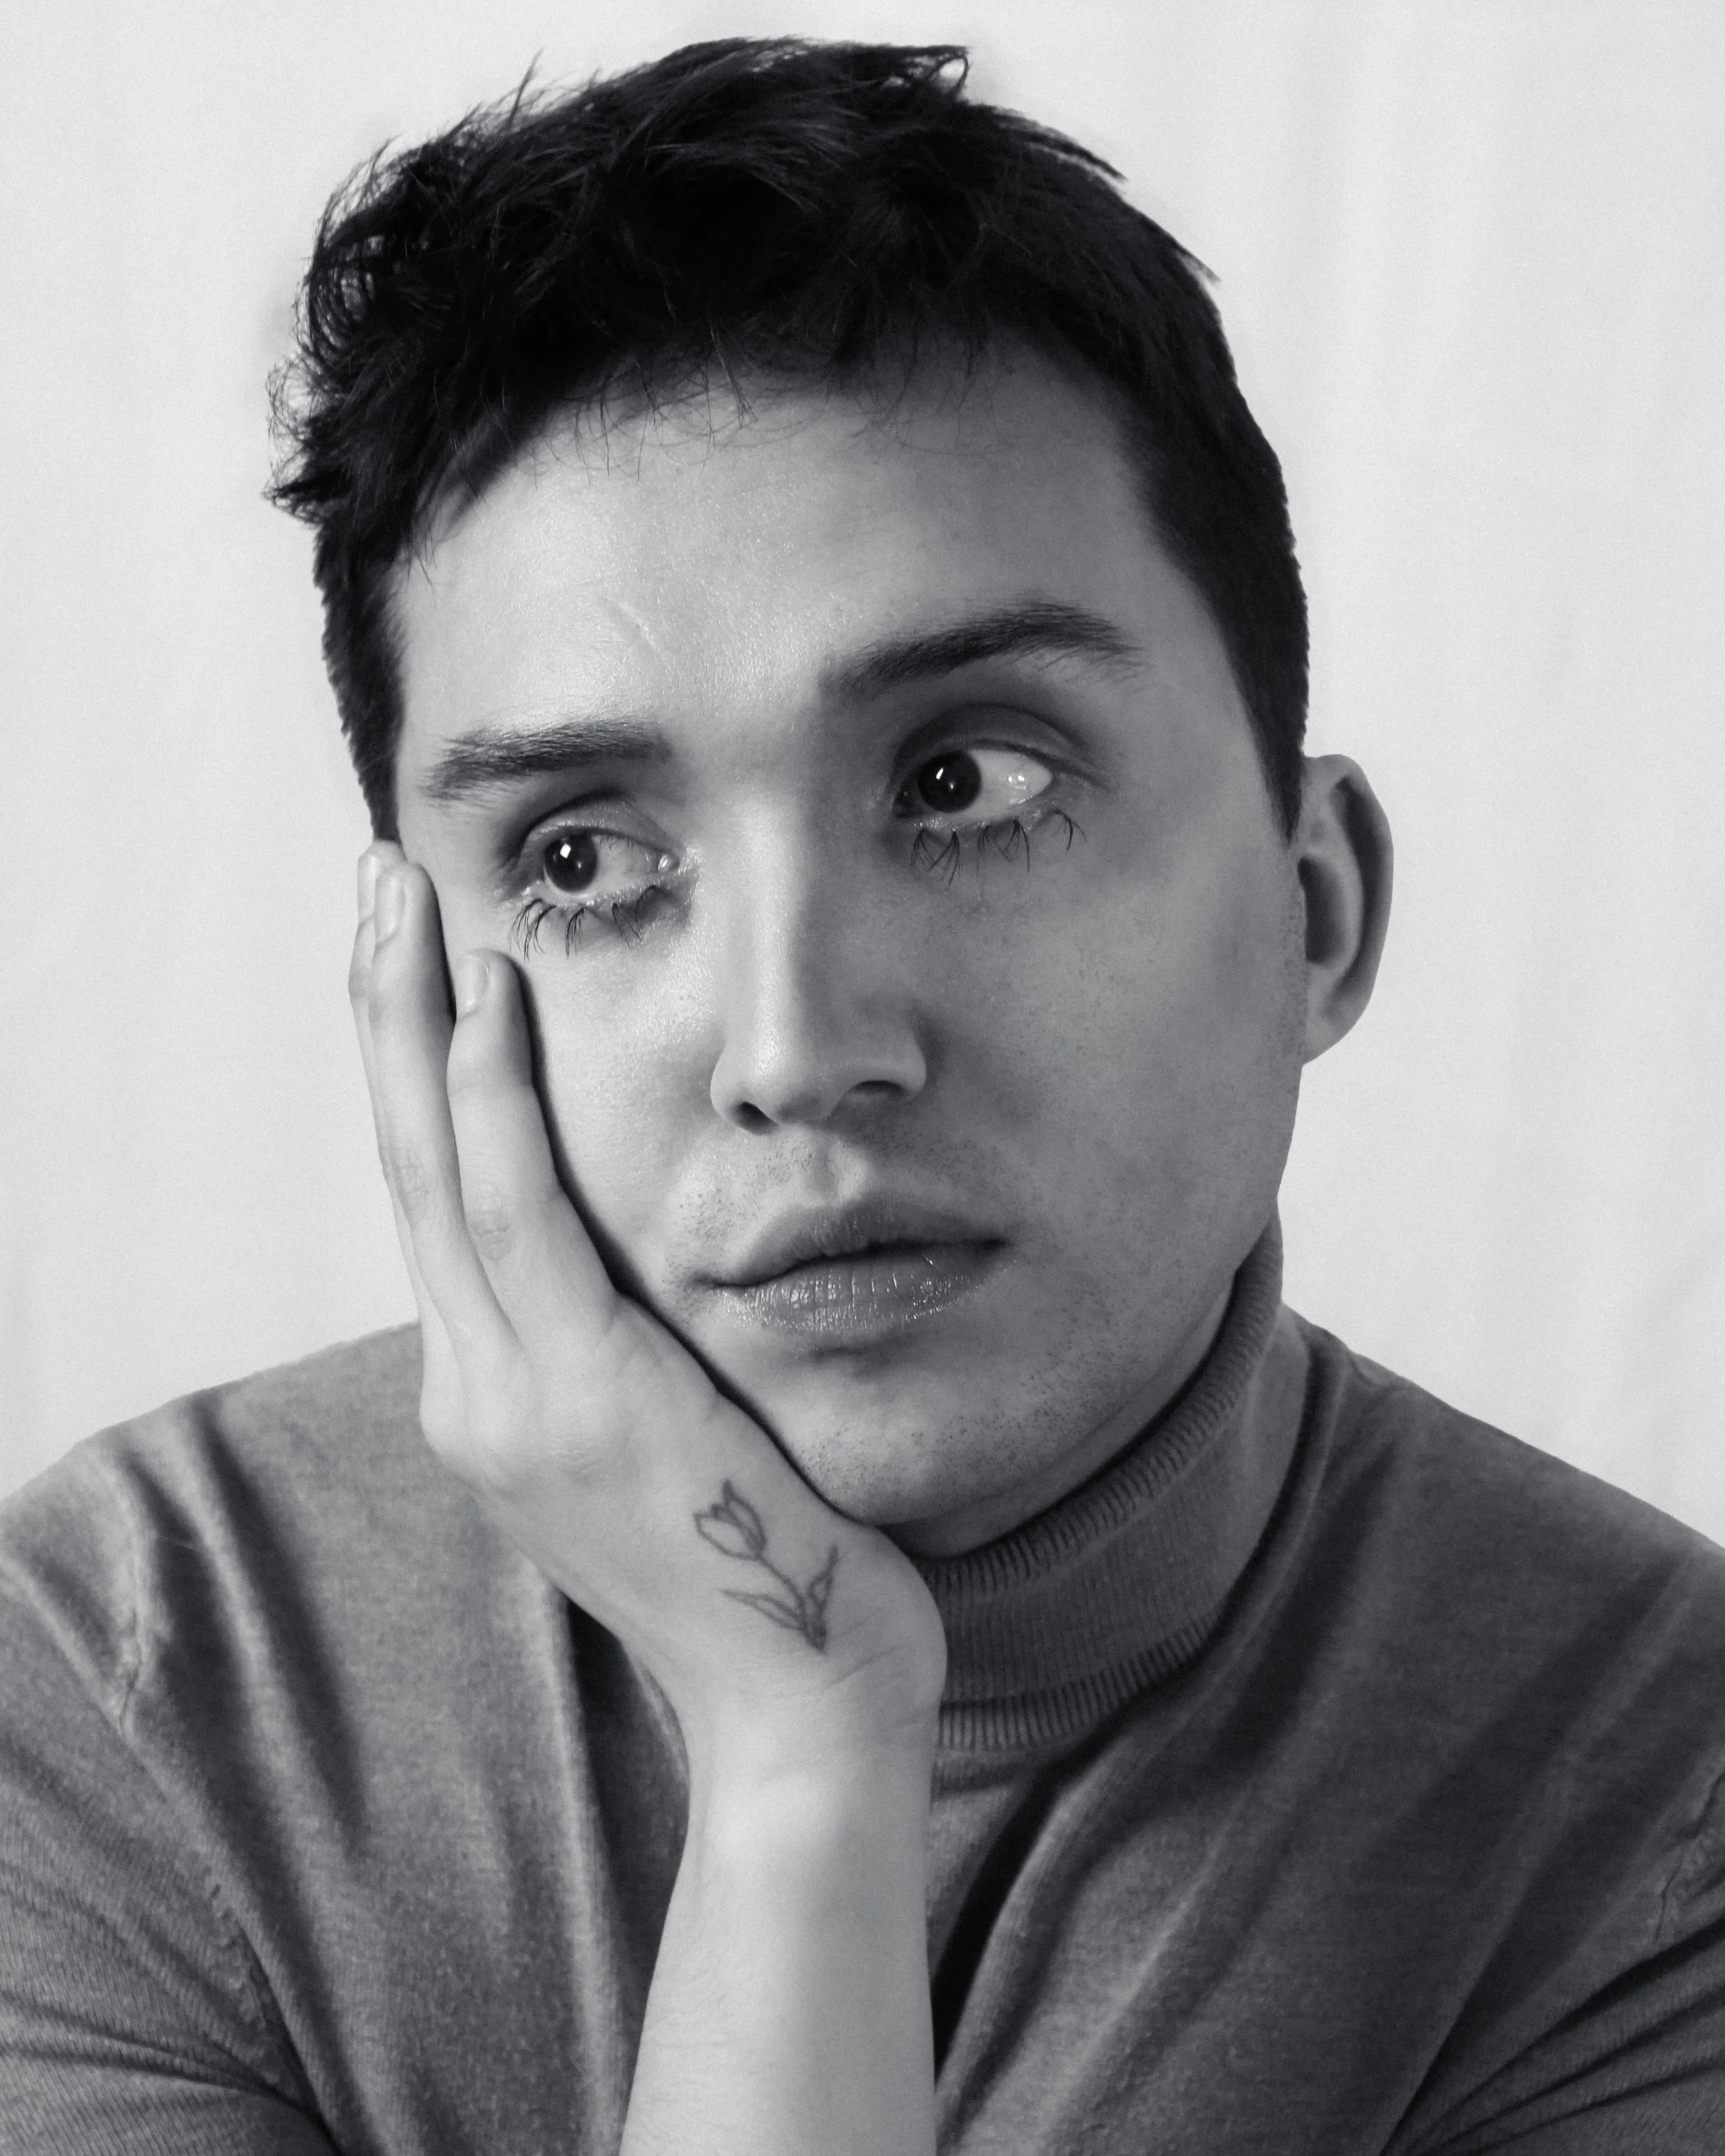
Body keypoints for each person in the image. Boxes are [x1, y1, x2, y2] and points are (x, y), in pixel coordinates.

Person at [2, 35, 1722, 2155]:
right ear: (415, 989)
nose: (796, 1045)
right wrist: (801, 1734)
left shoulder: (1655, 1795)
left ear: (1315, 911)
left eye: (966, 783)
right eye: (583, 861)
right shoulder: (121, 1688)